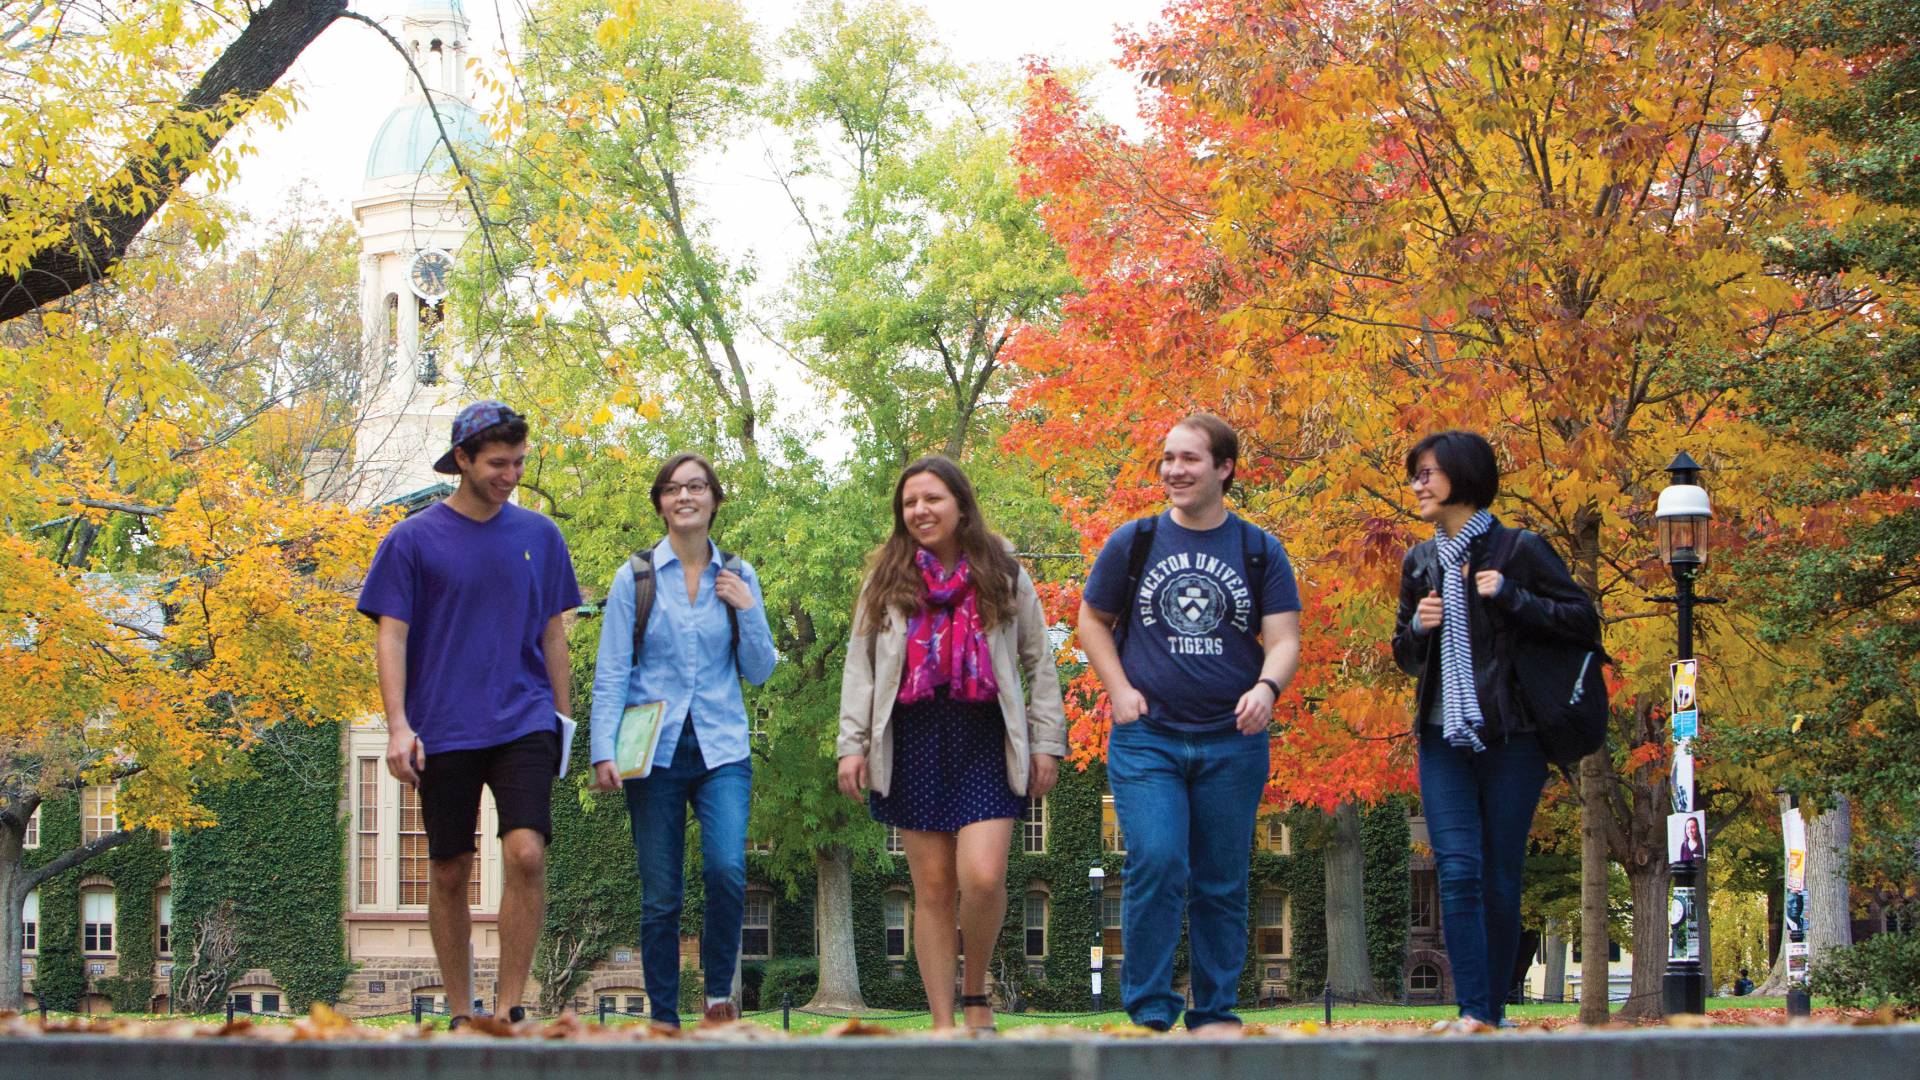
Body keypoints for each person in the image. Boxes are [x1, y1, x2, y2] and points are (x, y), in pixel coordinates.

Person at [1076, 414, 1302, 1034]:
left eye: (1189, 459)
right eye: (1167, 458)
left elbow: (1284, 639)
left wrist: (1266, 687)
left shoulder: (1259, 550)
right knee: (1156, 858)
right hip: (1149, 738)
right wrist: (1118, 689)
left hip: (1233, 741)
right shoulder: (1136, 542)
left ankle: (1214, 1010)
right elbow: (1090, 621)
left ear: (1224, 468)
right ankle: (1149, 1003)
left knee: (1222, 881)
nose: (1173, 470)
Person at [359, 401, 582, 1028]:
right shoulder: (412, 540)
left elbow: (553, 635)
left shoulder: (540, 536)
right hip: (445, 724)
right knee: (450, 866)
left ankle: (512, 1006)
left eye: (518, 462)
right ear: (461, 459)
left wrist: (562, 722)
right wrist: (398, 725)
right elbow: (392, 637)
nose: (510, 475)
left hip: (525, 718)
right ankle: (461, 1010)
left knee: (526, 853)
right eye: (496, 464)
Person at [836, 456, 1067, 1033]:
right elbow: (859, 667)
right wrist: (853, 744)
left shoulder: (1003, 570)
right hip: (912, 736)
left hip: (987, 735)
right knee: (933, 888)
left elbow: (1038, 660)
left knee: (983, 876)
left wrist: (1047, 742)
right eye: (910, 503)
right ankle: (943, 1026)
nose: (920, 510)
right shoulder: (886, 578)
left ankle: (976, 991)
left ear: (961, 505)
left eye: (932, 499)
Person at [1390, 430, 1600, 1033]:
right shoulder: (1420, 561)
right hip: (1441, 737)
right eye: (1415, 475)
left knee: (1500, 875)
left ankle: (1494, 1010)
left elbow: (1581, 621)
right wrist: (1419, 631)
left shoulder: (1519, 549)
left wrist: (1511, 596)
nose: (1419, 485)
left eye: (1427, 473)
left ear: (1464, 476)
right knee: (1456, 868)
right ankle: (1473, 1013)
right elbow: (1405, 656)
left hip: (1513, 736)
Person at [590, 453, 778, 1028]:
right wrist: (602, 750)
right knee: (661, 895)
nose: (685, 497)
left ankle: (719, 994)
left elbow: (761, 669)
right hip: (654, 751)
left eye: (696, 487)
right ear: (662, 503)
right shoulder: (636, 577)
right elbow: (613, 670)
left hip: (722, 748)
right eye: (673, 489)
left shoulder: (740, 577)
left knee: (725, 871)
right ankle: (665, 1018)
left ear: (714, 499)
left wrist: (747, 612)